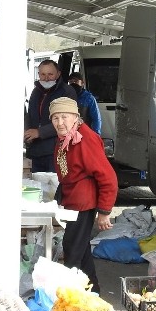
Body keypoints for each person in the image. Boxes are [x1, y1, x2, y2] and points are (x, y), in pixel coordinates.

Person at [49, 97, 117, 294]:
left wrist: (104, 211)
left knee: (73, 252)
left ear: (75, 117)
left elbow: (108, 177)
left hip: (83, 202)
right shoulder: (68, 137)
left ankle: (71, 298)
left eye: (64, 117)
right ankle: (93, 293)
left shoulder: (85, 139)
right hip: (72, 200)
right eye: (55, 118)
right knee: (80, 249)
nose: (60, 123)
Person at [24, 59, 76, 173]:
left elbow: (67, 122)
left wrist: (39, 132)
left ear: (58, 74)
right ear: (38, 74)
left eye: (50, 74)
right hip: (35, 151)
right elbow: (30, 115)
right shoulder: (35, 92)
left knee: (54, 187)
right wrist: (27, 132)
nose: (46, 78)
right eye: (43, 74)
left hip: (56, 151)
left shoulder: (67, 92)